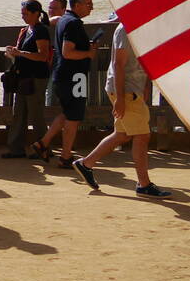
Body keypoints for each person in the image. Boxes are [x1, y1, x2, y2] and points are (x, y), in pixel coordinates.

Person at [70, 23, 172, 197]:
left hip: (131, 88)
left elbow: (144, 57)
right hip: (126, 90)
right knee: (142, 135)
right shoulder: (125, 28)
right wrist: (120, 98)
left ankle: (86, 164)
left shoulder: (141, 26)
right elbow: (118, 64)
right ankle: (144, 184)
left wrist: (145, 84)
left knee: (123, 134)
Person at [32, 0, 96, 168]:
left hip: (64, 74)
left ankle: (43, 143)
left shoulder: (64, 20)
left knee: (67, 113)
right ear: (77, 5)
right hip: (74, 76)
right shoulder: (73, 23)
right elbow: (69, 53)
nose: (91, 7)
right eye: (88, 3)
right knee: (74, 116)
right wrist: (89, 53)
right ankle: (65, 156)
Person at [3, 0, 52, 158]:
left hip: (36, 77)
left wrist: (20, 53)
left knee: (35, 114)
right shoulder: (25, 30)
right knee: (19, 112)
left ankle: (42, 147)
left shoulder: (40, 30)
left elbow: (43, 56)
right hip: (23, 76)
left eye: (25, 13)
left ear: (36, 13)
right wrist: (14, 53)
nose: (23, 16)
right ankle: (16, 148)